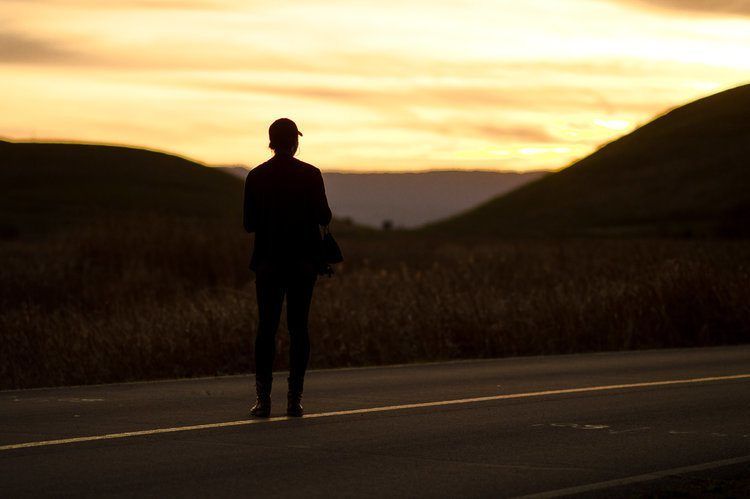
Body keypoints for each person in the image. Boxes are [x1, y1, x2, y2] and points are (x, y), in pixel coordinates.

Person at [243, 118, 332, 417]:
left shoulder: (255, 176)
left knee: (266, 329)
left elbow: (248, 224)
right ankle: (294, 400)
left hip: (268, 263)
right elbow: (324, 216)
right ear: (294, 142)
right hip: (303, 264)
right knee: (298, 328)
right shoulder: (311, 174)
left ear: (271, 142)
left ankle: (263, 400)